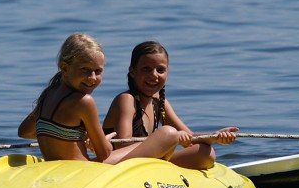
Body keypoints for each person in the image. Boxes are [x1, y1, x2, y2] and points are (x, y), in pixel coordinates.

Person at [18, 33, 181, 164]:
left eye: (98, 71)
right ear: (65, 68)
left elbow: (24, 131)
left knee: (148, 142)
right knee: (168, 135)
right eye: (85, 70)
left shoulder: (49, 94)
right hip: (82, 172)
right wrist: (100, 141)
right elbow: (104, 153)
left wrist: (69, 138)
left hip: (57, 169)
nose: (92, 77)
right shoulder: (84, 102)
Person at [102, 41, 237, 170]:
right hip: (116, 164)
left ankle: (164, 170)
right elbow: (123, 144)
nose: (154, 75)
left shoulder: (159, 102)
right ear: (132, 71)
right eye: (146, 69)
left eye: (160, 70)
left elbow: (189, 137)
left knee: (205, 153)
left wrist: (215, 136)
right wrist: (168, 139)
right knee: (168, 132)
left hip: (145, 163)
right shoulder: (126, 100)